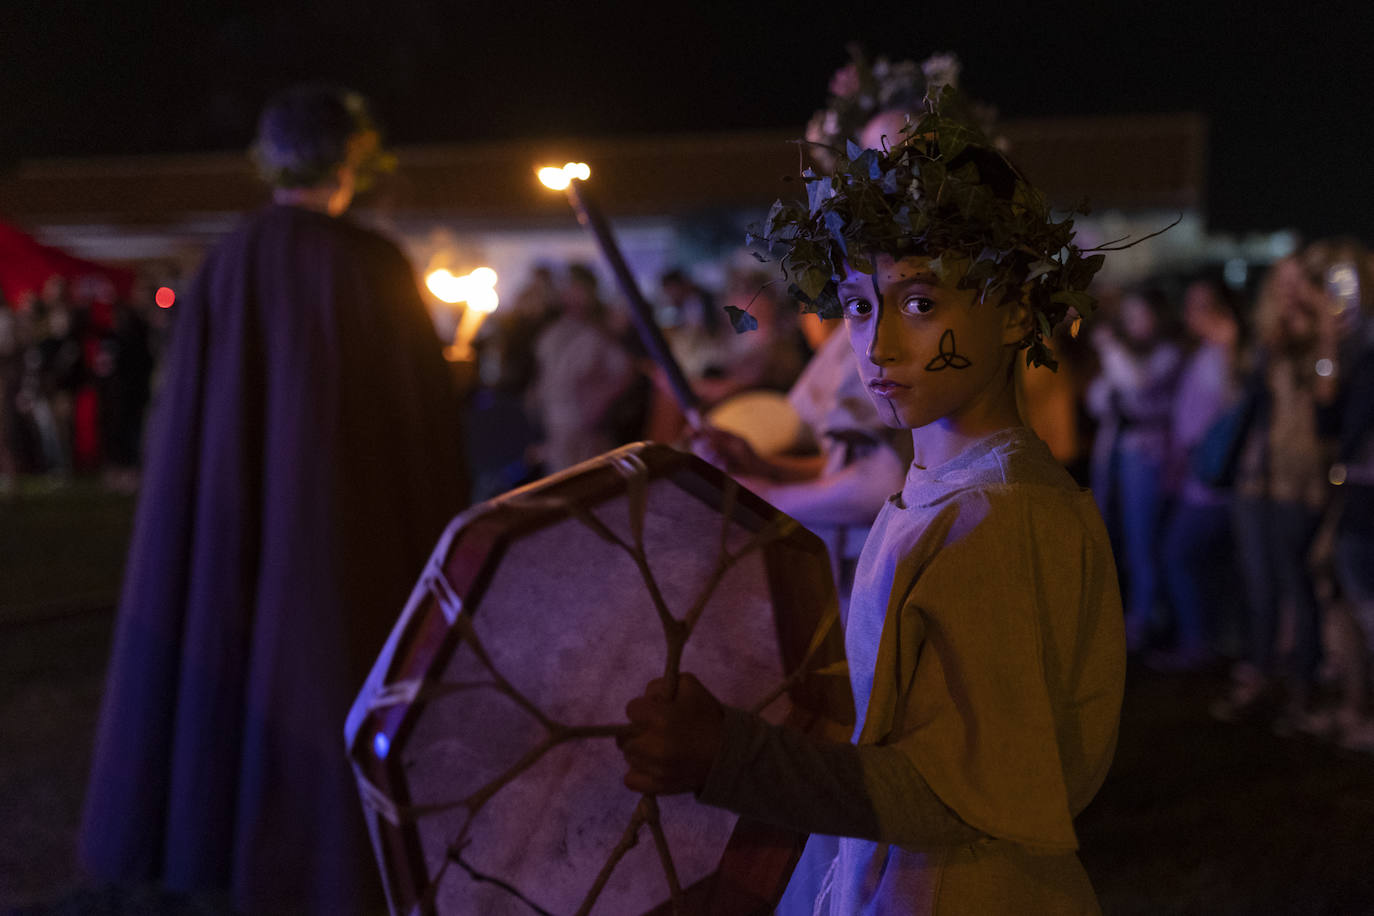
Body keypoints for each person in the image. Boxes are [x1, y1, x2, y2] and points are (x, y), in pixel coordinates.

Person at [621, 87, 1126, 914]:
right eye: (858, 305)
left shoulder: (1000, 520)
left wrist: (729, 757)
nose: (879, 346)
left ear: (1015, 311)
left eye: (922, 303)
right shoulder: (945, 492)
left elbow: (957, 794)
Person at [79, 84, 468, 916]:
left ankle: (229, 846)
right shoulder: (367, 264)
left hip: (237, 521)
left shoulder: (226, 262)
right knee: (332, 664)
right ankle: (336, 861)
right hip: (343, 531)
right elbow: (414, 423)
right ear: (353, 159)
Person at [1086, 287, 1182, 651]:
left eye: (1141, 315)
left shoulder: (1168, 354)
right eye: (1129, 317)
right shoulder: (1129, 355)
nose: (1134, 324)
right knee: (1117, 538)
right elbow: (1097, 399)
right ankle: (1130, 614)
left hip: (1147, 458)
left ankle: (1146, 620)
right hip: (1117, 453)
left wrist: (1110, 348)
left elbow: (1138, 384)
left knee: (1143, 540)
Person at [1154, 277, 1243, 668]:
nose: (1194, 314)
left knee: (1179, 553)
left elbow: (1231, 405)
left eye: (1203, 304)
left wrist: (1231, 348)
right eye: (1190, 305)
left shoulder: (1226, 354)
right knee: (1201, 560)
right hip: (1196, 474)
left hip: (1213, 479)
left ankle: (1199, 643)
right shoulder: (1202, 352)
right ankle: (1214, 638)